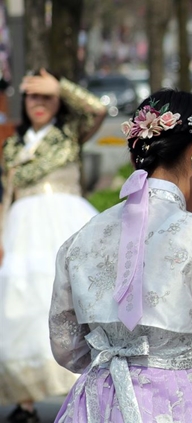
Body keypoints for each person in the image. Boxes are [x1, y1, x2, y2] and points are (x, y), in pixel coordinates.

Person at [48, 89, 192, 422]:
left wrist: (116, 353)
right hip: (179, 402)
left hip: (100, 402)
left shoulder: (81, 239)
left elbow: (68, 348)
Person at [0, 69, 106, 423]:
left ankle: (88, 390)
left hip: (66, 225)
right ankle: (25, 399)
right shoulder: (13, 145)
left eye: (46, 97)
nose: (39, 104)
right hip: (22, 231)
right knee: (22, 305)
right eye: (33, 96)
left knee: (78, 303)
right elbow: (8, 195)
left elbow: (96, 111)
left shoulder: (69, 133)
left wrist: (59, 86)